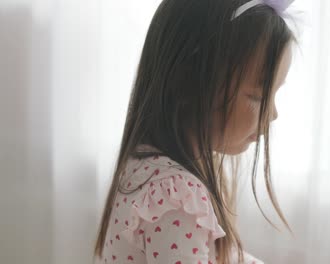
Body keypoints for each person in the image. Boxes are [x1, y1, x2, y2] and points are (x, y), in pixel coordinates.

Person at [93, 0, 297, 263]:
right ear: (189, 84)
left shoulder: (146, 164)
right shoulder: (177, 196)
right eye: (258, 97)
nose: (273, 114)